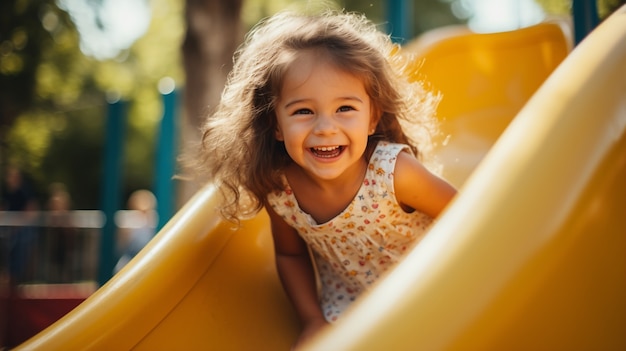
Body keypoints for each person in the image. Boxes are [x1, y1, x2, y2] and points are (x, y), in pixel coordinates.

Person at [193, 9, 457, 349]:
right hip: (351, 308)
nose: (325, 128)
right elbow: (290, 256)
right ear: (274, 124)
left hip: (430, 289)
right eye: (303, 111)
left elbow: (467, 216)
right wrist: (312, 319)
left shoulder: (394, 173)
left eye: (345, 108)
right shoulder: (280, 189)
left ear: (373, 117)